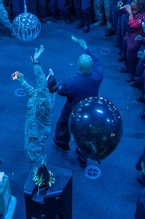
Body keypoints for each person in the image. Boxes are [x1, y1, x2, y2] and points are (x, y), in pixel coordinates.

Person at [53, 36, 103, 167]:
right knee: (85, 135)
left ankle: (61, 144)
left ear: (79, 67)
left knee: (63, 124)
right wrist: (86, 47)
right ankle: (82, 158)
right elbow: (97, 60)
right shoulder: (98, 75)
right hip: (90, 110)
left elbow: (60, 91)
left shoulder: (72, 82)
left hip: (73, 109)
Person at [14, 45, 56, 167]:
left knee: (35, 157)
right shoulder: (43, 96)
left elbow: (41, 86)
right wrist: (22, 81)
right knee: (38, 152)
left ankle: (41, 178)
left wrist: (36, 63)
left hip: (36, 134)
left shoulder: (45, 102)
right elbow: (35, 93)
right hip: (35, 131)